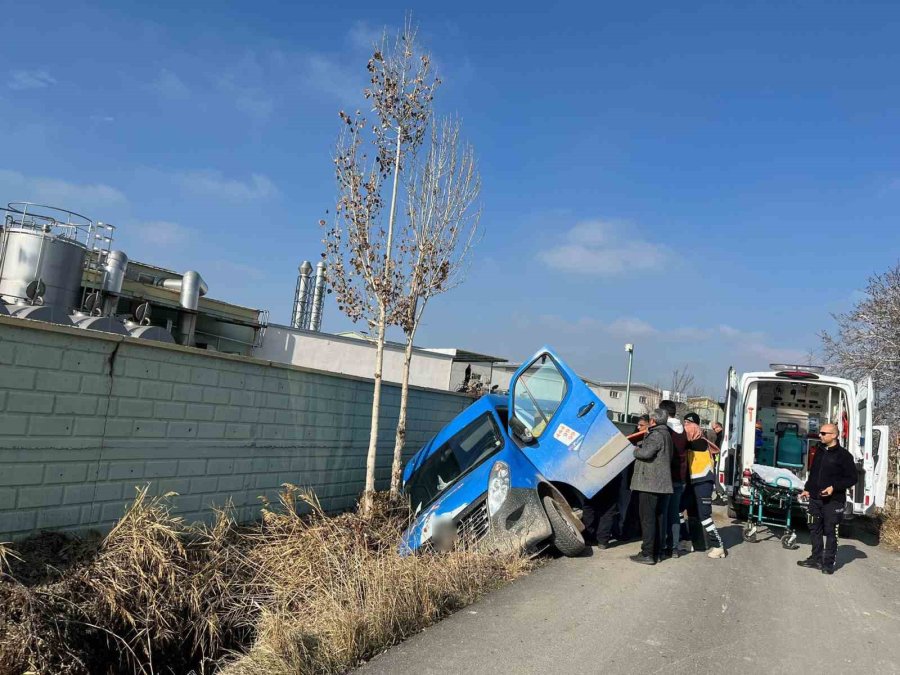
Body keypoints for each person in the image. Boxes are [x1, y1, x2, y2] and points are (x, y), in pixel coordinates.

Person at [797, 423, 858, 574]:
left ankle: (828, 564)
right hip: (815, 499)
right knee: (814, 529)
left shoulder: (844, 456)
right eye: (820, 433)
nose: (820, 435)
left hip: (834, 501)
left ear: (834, 435)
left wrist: (834, 487)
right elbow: (814, 473)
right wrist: (807, 489)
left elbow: (852, 478)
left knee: (831, 531)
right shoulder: (819, 450)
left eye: (824, 433)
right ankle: (816, 558)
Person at [629, 408, 673, 565]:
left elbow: (646, 454)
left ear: (653, 421)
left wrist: (635, 450)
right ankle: (658, 552)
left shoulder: (656, 434)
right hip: (662, 485)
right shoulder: (667, 434)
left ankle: (647, 553)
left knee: (648, 520)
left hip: (650, 484)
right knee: (659, 519)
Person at [684, 412, 727, 558]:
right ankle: (690, 540)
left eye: (688, 425)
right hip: (693, 481)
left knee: (705, 516)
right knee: (681, 510)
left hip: (703, 482)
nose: (686, 428)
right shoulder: (697, 441)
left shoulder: (699, 443)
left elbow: (687, 444)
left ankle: (718, 545)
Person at [659, 400, 688, 559]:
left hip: (667, 477)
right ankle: (674, 548)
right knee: (675, 513)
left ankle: (663, 546)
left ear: (663, 412)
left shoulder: (665, 429)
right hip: (680, 477)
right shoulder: (682, 429)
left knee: (663, 512)